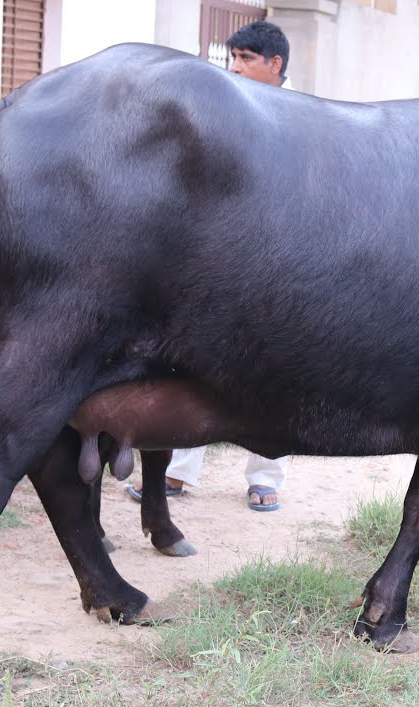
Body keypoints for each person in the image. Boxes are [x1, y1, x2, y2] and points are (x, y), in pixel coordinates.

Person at [127, 20, 293, 512]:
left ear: (275, 65)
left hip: (281, 266)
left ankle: (266, 477)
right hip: (220, 260)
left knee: (278, 369)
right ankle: (178, 473)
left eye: (245, 59)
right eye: (232, 57)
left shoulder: (303, 116)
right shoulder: (226, 105)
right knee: (198, 364)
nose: (234, 67)